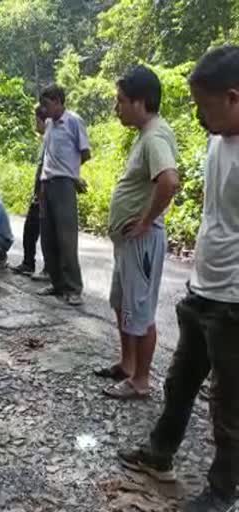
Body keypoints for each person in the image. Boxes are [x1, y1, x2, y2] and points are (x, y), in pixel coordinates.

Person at [117, 46, 239, 512]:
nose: (198, 117)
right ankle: (159, 454)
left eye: (205, 107)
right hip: (203, 288)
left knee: (228, 406)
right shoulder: (217, 138)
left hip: (234, 301)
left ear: (233, 97)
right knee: (181, 381)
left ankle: (223, 491)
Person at [95, 65, 180, 400]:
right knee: (123, 302)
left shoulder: (155, 135)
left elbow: (169, 180)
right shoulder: (147, 134)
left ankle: (141, 380)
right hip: (129, 243)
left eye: (121, 101)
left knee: (140, 310)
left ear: (140, 102)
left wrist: (145, 221)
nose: (117, 108)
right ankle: (127, 364)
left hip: (141, 241)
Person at [37, 84, 91, 306]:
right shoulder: (49, 124)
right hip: (46, 184)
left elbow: (85, 152)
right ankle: (57, 283)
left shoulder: (73, 121)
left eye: (47, 104)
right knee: (48, 237)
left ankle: (73, 288)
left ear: (58, 101)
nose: (44, 109)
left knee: (66, 238)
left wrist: (71, 174)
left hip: (63, 184)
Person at [11, 106, 50, 280]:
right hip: (39, 192)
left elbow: (45, 169)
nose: (35, 124)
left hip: (44, 192)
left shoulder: (51, 139)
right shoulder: (45, 140)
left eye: (37, 120)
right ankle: (29, 263)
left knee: (44, 232)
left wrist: (39, 193)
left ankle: (46, 268)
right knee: (32, 229)